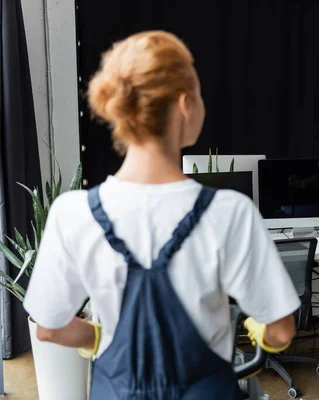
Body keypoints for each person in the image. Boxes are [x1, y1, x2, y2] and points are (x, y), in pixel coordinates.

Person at [23, 31, 300, 399]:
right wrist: (257, 328)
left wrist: (98, 338)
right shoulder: (229, 213)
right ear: (185, 104)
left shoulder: (71, 214)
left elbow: (48, 328)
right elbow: (281, 331)